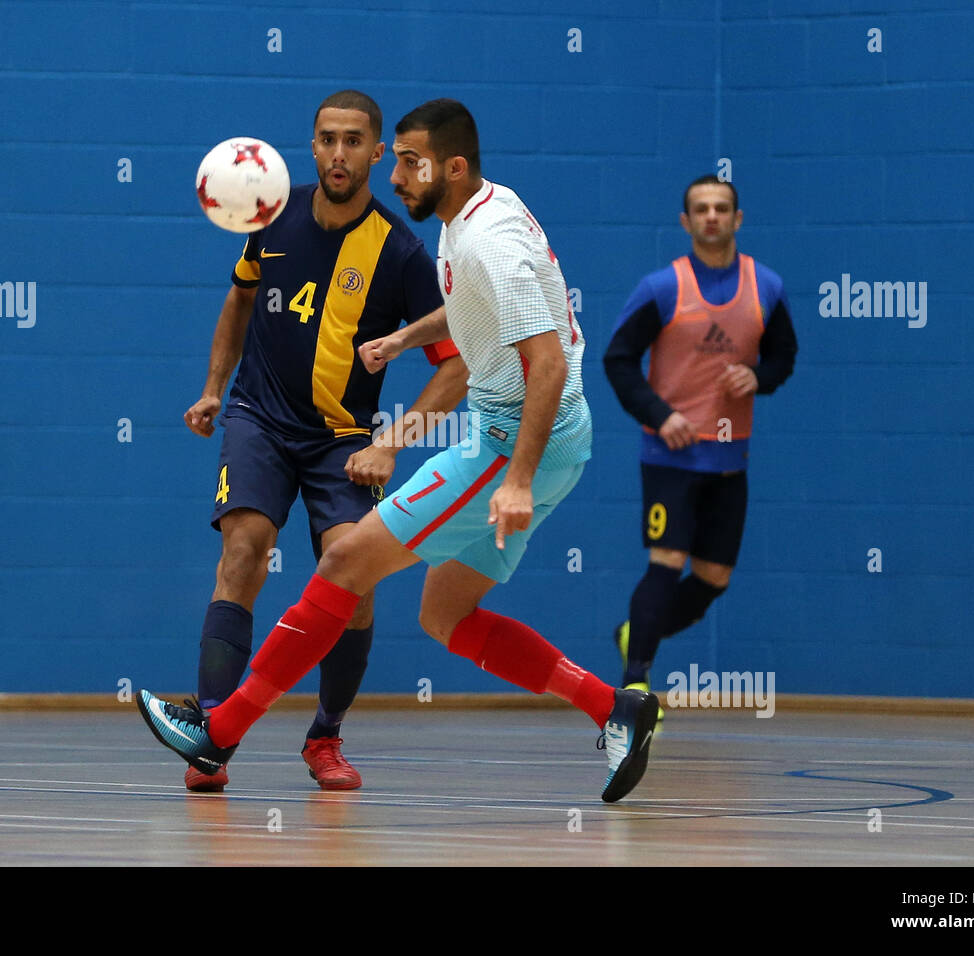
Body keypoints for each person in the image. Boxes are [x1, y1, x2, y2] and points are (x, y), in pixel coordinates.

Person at [139, 98, 660, 804]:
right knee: (445, 616)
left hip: (510, 443)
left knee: (346, 560)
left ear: (450, 166)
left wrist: (518, 480)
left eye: (408, 162)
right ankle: (615, 707)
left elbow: (550, 364)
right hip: (535, 437)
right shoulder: (473, 215)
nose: (398, 176)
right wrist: (404, 340)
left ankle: (221, 730)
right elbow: (478, 308)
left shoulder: (484, 242)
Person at [177, 90, 467, 792]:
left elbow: (456, 367)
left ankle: (325, 736)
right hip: (259, 417)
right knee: (244, 549)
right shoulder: (270, 220)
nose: (339, 152)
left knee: (353, 579)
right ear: (311, 147)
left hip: (344, 440)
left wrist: (393, 443)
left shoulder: (400, 253)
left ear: (375, 153)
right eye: (327, 139)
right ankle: (214, 733)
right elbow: (240, 298)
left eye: (354, 141)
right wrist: (216, 386)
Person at [602, 175, 798, 714]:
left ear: (738, 219)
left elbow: (784, 357)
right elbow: (618, 360)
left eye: (722, 208)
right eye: (700, 209)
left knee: (714, 577)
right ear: (686, 222)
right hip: (670, 456)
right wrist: (659, 415)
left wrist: (759, 376)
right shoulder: (661, 289)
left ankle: (635, 633)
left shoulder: (768, 288)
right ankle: (636, 684)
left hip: (731, 458)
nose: (711, 216)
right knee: (665, 561)